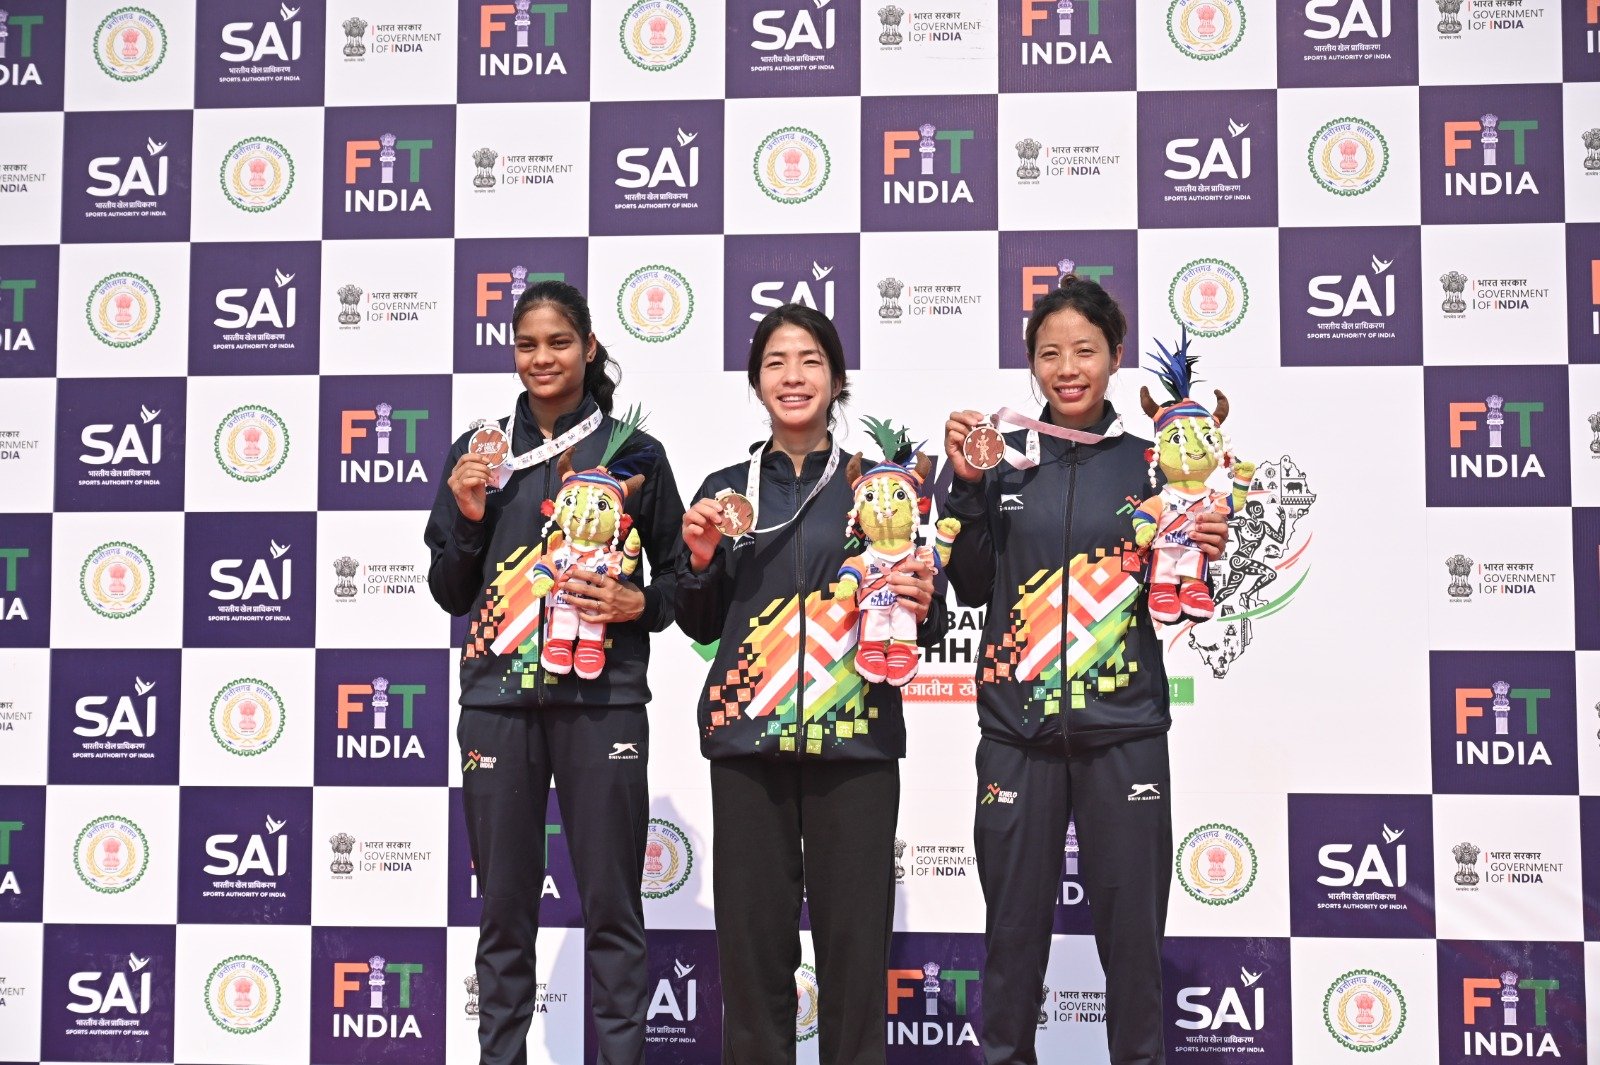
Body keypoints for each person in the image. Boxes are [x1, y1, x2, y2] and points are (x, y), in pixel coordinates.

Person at [941, 276, 1230, 1065]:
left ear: (1115, 357)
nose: (1068, 368)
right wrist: (964, 486)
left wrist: (1206, 547)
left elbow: (1182, 595)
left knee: (1133, 950)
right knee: (1010, 946)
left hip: (1124, 733)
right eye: (1049, 354)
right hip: (1016, 736)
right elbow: (968, 582)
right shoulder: (1005, 463)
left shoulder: (1153, 465)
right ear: (1032, 363)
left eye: (1085, 351)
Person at [675, 304, 946, 1065]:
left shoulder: (882, 487)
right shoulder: (726, 491)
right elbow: (696, 621)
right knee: (753, 954)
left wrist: (924, 599)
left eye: (810, 361)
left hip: (855, 744)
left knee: (855, 958)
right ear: (756, 381)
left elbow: (926, 617)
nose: (793, 377)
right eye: (776, 362)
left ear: (836, 378)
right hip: (746, 742)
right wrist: (698, 560)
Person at [425, 280, 684, 1065]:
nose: (542, 358)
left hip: (603, 700)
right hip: (497, 702)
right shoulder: (480, 452)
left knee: (613, 910)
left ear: (589, 347)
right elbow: (450, 591)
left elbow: (681, 582)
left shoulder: (635, 453)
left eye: (559, 342)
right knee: (504, 913)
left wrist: (638, 600)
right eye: (528, 344)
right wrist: (467, 519)